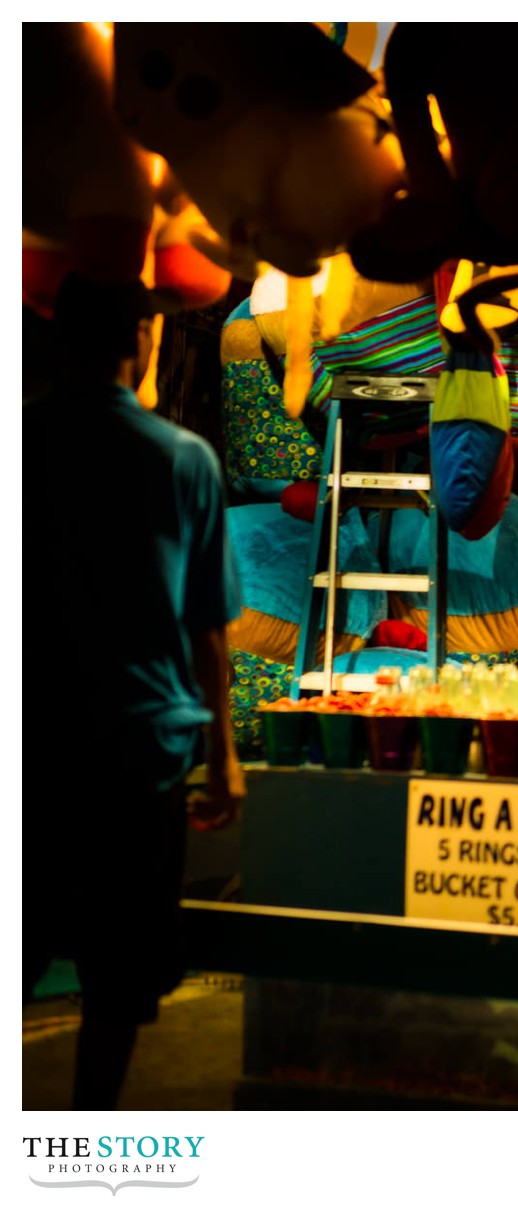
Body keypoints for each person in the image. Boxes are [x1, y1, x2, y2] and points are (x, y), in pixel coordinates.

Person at [23, 273, 244, 1110]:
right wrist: (224, 761)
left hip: (33, 745)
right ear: (141, 345)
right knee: (119, 978)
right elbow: (208, 631)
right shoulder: (182, 459)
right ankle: (83, 1142)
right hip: (140, 754)